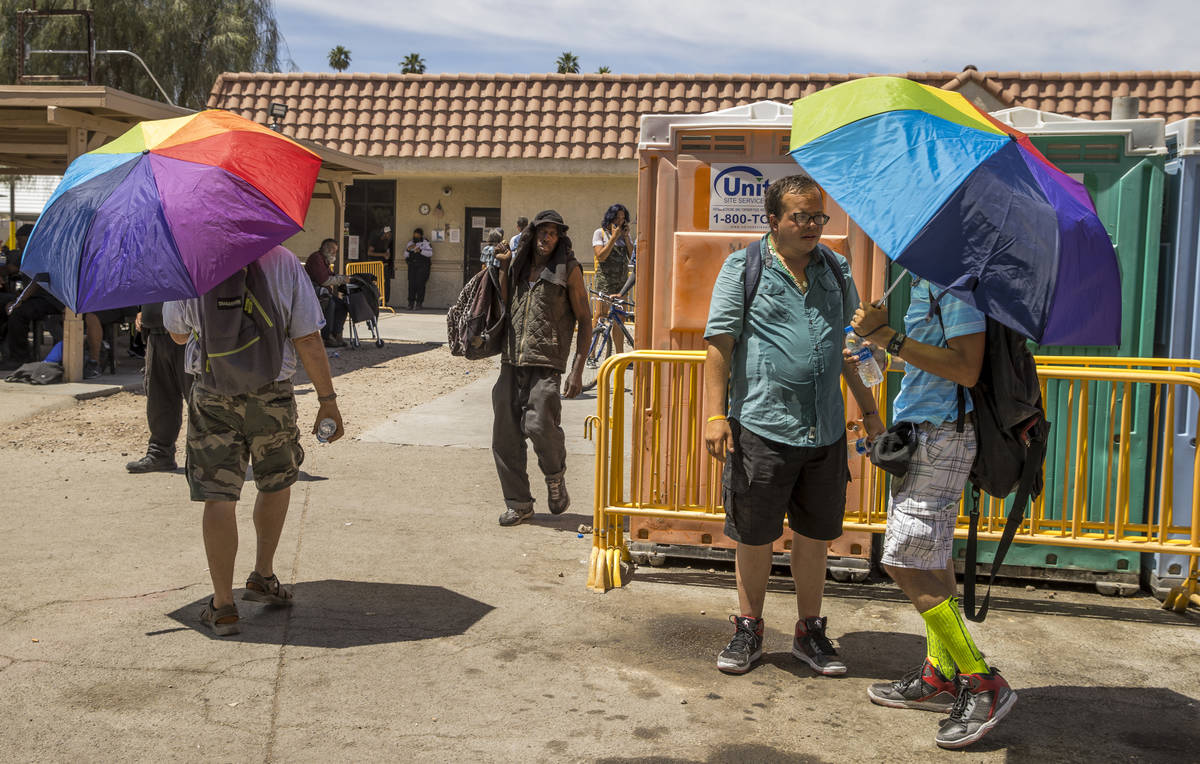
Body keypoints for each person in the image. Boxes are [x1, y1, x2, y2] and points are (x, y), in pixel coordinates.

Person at [703, 174, 883, 676]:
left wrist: (869, 410)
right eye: (799, 216)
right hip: (761, 424)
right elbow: (719, 344)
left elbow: (849, 347)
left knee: (814, 534)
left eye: (817, 216)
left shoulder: (836, 269)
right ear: (773, 220)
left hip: (824, 430)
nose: (810, 226)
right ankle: (749, 628)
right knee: (754, 534)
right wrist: (716, 415)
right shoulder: (743, 267)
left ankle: (809, 631)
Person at [848, 279, 1012, 750]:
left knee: (902, 559)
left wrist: (888, 338)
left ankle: (981, 682)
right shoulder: (930, 284)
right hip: (926, 433)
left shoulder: (956, 288)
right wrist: (876, 353)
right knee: (933, 558)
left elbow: (965, 368)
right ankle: (940, 675)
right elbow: (936, 363)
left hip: (943, 435)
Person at [163, 246, 345, 637]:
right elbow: (308, 337)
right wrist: (327, 401)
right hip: (272, 393)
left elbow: (178, 334)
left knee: (219, 496)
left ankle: (223, 606)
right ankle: (263, 575)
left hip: (212, 395)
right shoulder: (283, 262)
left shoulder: (192, 260)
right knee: (276, 480)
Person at [490, 209, 590, 527]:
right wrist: (505, 265)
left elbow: (586, 319)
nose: (546, 237)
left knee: (539, 426)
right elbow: (505, 301)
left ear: (559, 237)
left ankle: (555, 476)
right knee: (505, 434)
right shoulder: (520, 266)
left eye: (553, 232)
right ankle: (518, 503)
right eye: (542, 231)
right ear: (532, 234)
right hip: (511, 360)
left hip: (547, 361)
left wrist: (577, 369)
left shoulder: (569, 270)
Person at [126, 302, 192, 473]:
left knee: (198, 400)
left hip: (189, 333)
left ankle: (203, 456)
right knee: (159, 399)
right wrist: (143, 312)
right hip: (156, 333)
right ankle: (160, 453)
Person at [592, 204, 635, 352]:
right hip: (605, 282)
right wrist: (613, 238)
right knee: (600, 316)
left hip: (620, 284)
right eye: (617, 217)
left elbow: (631, 257)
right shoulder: (600, 233)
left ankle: (619, 354)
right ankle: (592, 353)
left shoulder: (625, 236)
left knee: (619, 319)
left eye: (623, 218)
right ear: (610, 218)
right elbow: (601, 256)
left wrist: (626, 238)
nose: (620, 221)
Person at [305, 238, 349, 348]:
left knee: (342, 305)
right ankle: (327, 337)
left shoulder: (324, 260)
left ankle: (337, 334)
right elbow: (324, 280)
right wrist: (342, 280)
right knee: (330, 304)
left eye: (335, 251)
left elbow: (331, 275)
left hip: (322, 293)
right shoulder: (316, 258)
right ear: (325, 249)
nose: (334, 253)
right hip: (312, 293)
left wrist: (342, 278)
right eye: (332, 250)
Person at [403, 227, 433, 310]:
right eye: (414, 236)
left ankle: (419, 303)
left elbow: (430, 253)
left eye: (417, 236)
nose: (416, 237)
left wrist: (420, 251)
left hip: (423, 267)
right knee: (411, 285)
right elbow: (405, 256)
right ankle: (410, 303)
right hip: (412, 267)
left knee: (420, 285)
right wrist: (408, 250)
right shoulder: (410, 243)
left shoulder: (425, 242)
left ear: (421, 236)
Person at [367, 226, 396, 304]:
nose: (390, 235)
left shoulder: (387, 241)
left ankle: (384, 301)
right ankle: (375, 300)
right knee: (376, 282)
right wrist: (382, 254)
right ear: (384, 233)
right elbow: (369, 252)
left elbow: (386, 252)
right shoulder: (375, 240)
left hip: (384, 265)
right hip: (375, 265)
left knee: (386, 283)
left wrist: (387, 255)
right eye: (388, 233)